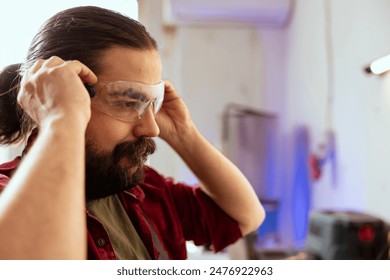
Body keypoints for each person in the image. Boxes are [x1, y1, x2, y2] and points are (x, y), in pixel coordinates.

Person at [0, 6, 265, 260]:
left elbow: (244, 217)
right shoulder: (6, 193)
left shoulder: (144, 189)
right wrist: (60, 118)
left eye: (151, 102)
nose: (152, 128)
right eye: (128, 103)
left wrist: (184, 133)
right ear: (57, 98)